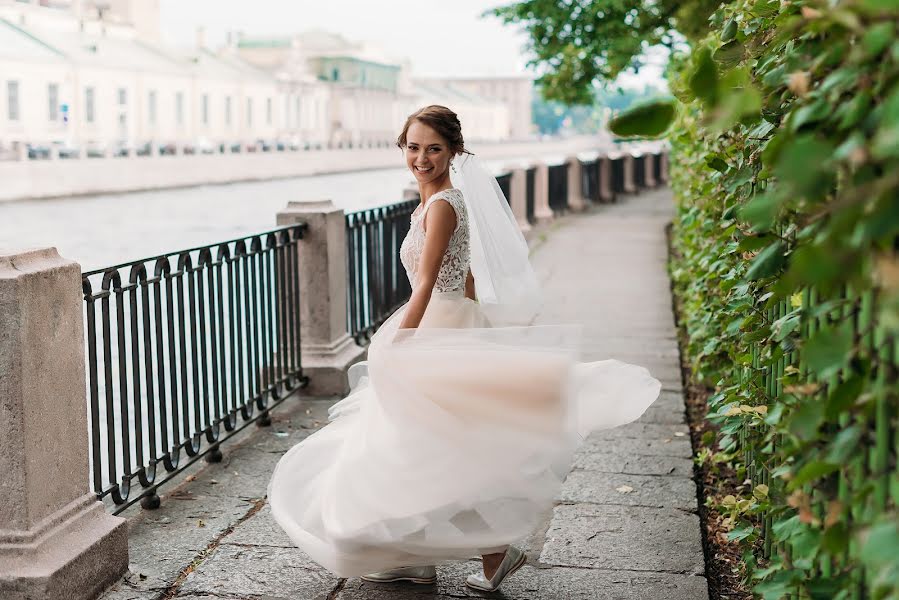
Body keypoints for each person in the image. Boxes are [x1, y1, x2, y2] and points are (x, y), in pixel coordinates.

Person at [267, 105, 661, 592]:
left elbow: (429, 283)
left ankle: (481, 551)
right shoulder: (437, 201)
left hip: (432, 324)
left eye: (434, 148)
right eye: (413, 147)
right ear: (402, 148)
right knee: (427, 443)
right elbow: (467, 277)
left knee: (422, 443)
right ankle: (426, 555)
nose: (421, 157)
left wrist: (402, 341)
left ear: (455, 150)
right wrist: (471, 330)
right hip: (447, 323)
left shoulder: (443, 206)